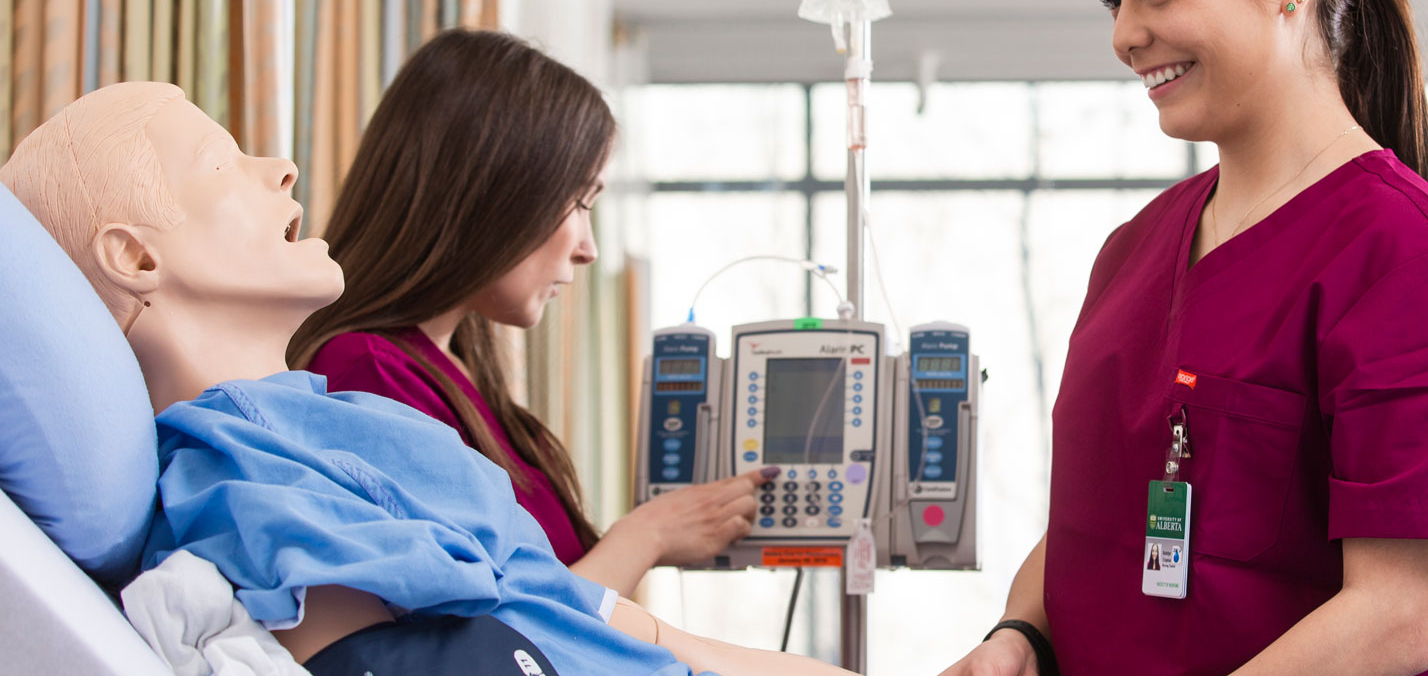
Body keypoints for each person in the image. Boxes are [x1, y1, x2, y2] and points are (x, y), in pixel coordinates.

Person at [0, 81, 854, 675]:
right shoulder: (241, 469)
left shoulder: (342, 421)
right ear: (138, 256)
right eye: (223, 162)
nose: (284, 169)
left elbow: (627, 630)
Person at [940, 0, 1428, 674]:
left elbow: (1397, 618)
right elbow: (1095, 527)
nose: (1126, 35)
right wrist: (1018, 634)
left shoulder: (1406, 255)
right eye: (1113, 1)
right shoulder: (1131, 251)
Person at [287, 29, 763, 596]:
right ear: (495, 192)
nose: (588, 249)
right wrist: (649, 535)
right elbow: (495, 634)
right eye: (580, 203)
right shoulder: (365, 374)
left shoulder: (452, 369)